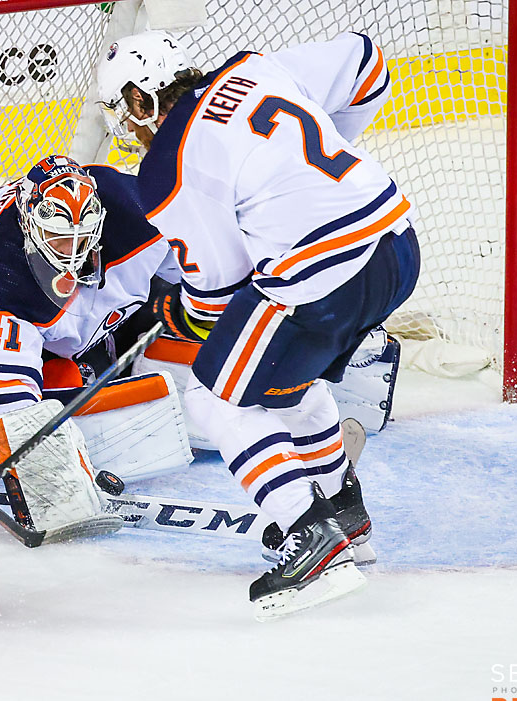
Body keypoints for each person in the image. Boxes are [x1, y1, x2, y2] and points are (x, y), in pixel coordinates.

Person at [97, 30, 420, 619]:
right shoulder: (255, 69)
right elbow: (366, 61)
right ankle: (344, 511)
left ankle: (309, 532)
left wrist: (173, 310)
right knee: (279, 377)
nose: (129, 128)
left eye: (126, 111)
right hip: (396, 245)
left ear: (143, 100)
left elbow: (218, 292)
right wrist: (305, 186)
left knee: (217, 396)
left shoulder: (166, 168)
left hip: (322, 277)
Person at [0, 154, 188, 534]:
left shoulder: (140, 211)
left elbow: (213, 275)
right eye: (59, 239)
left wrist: (191, 310)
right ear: (29, 223)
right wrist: (38, 466)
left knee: (202, 340)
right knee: (49, 403)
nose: (71, 254)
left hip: (114, 323)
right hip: (46, 349)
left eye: (82, 239)